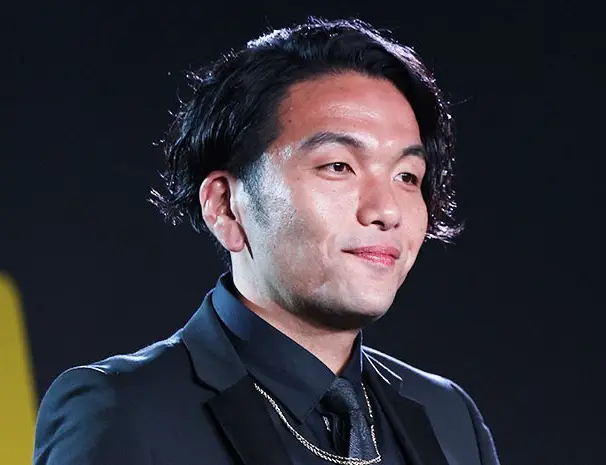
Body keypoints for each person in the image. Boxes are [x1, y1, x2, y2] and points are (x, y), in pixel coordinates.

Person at [33, 17, 500, 465]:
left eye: (407, 176)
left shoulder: (448, 416)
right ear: (225, 206)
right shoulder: (123, 410)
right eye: (338, 166)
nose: (386, 211)